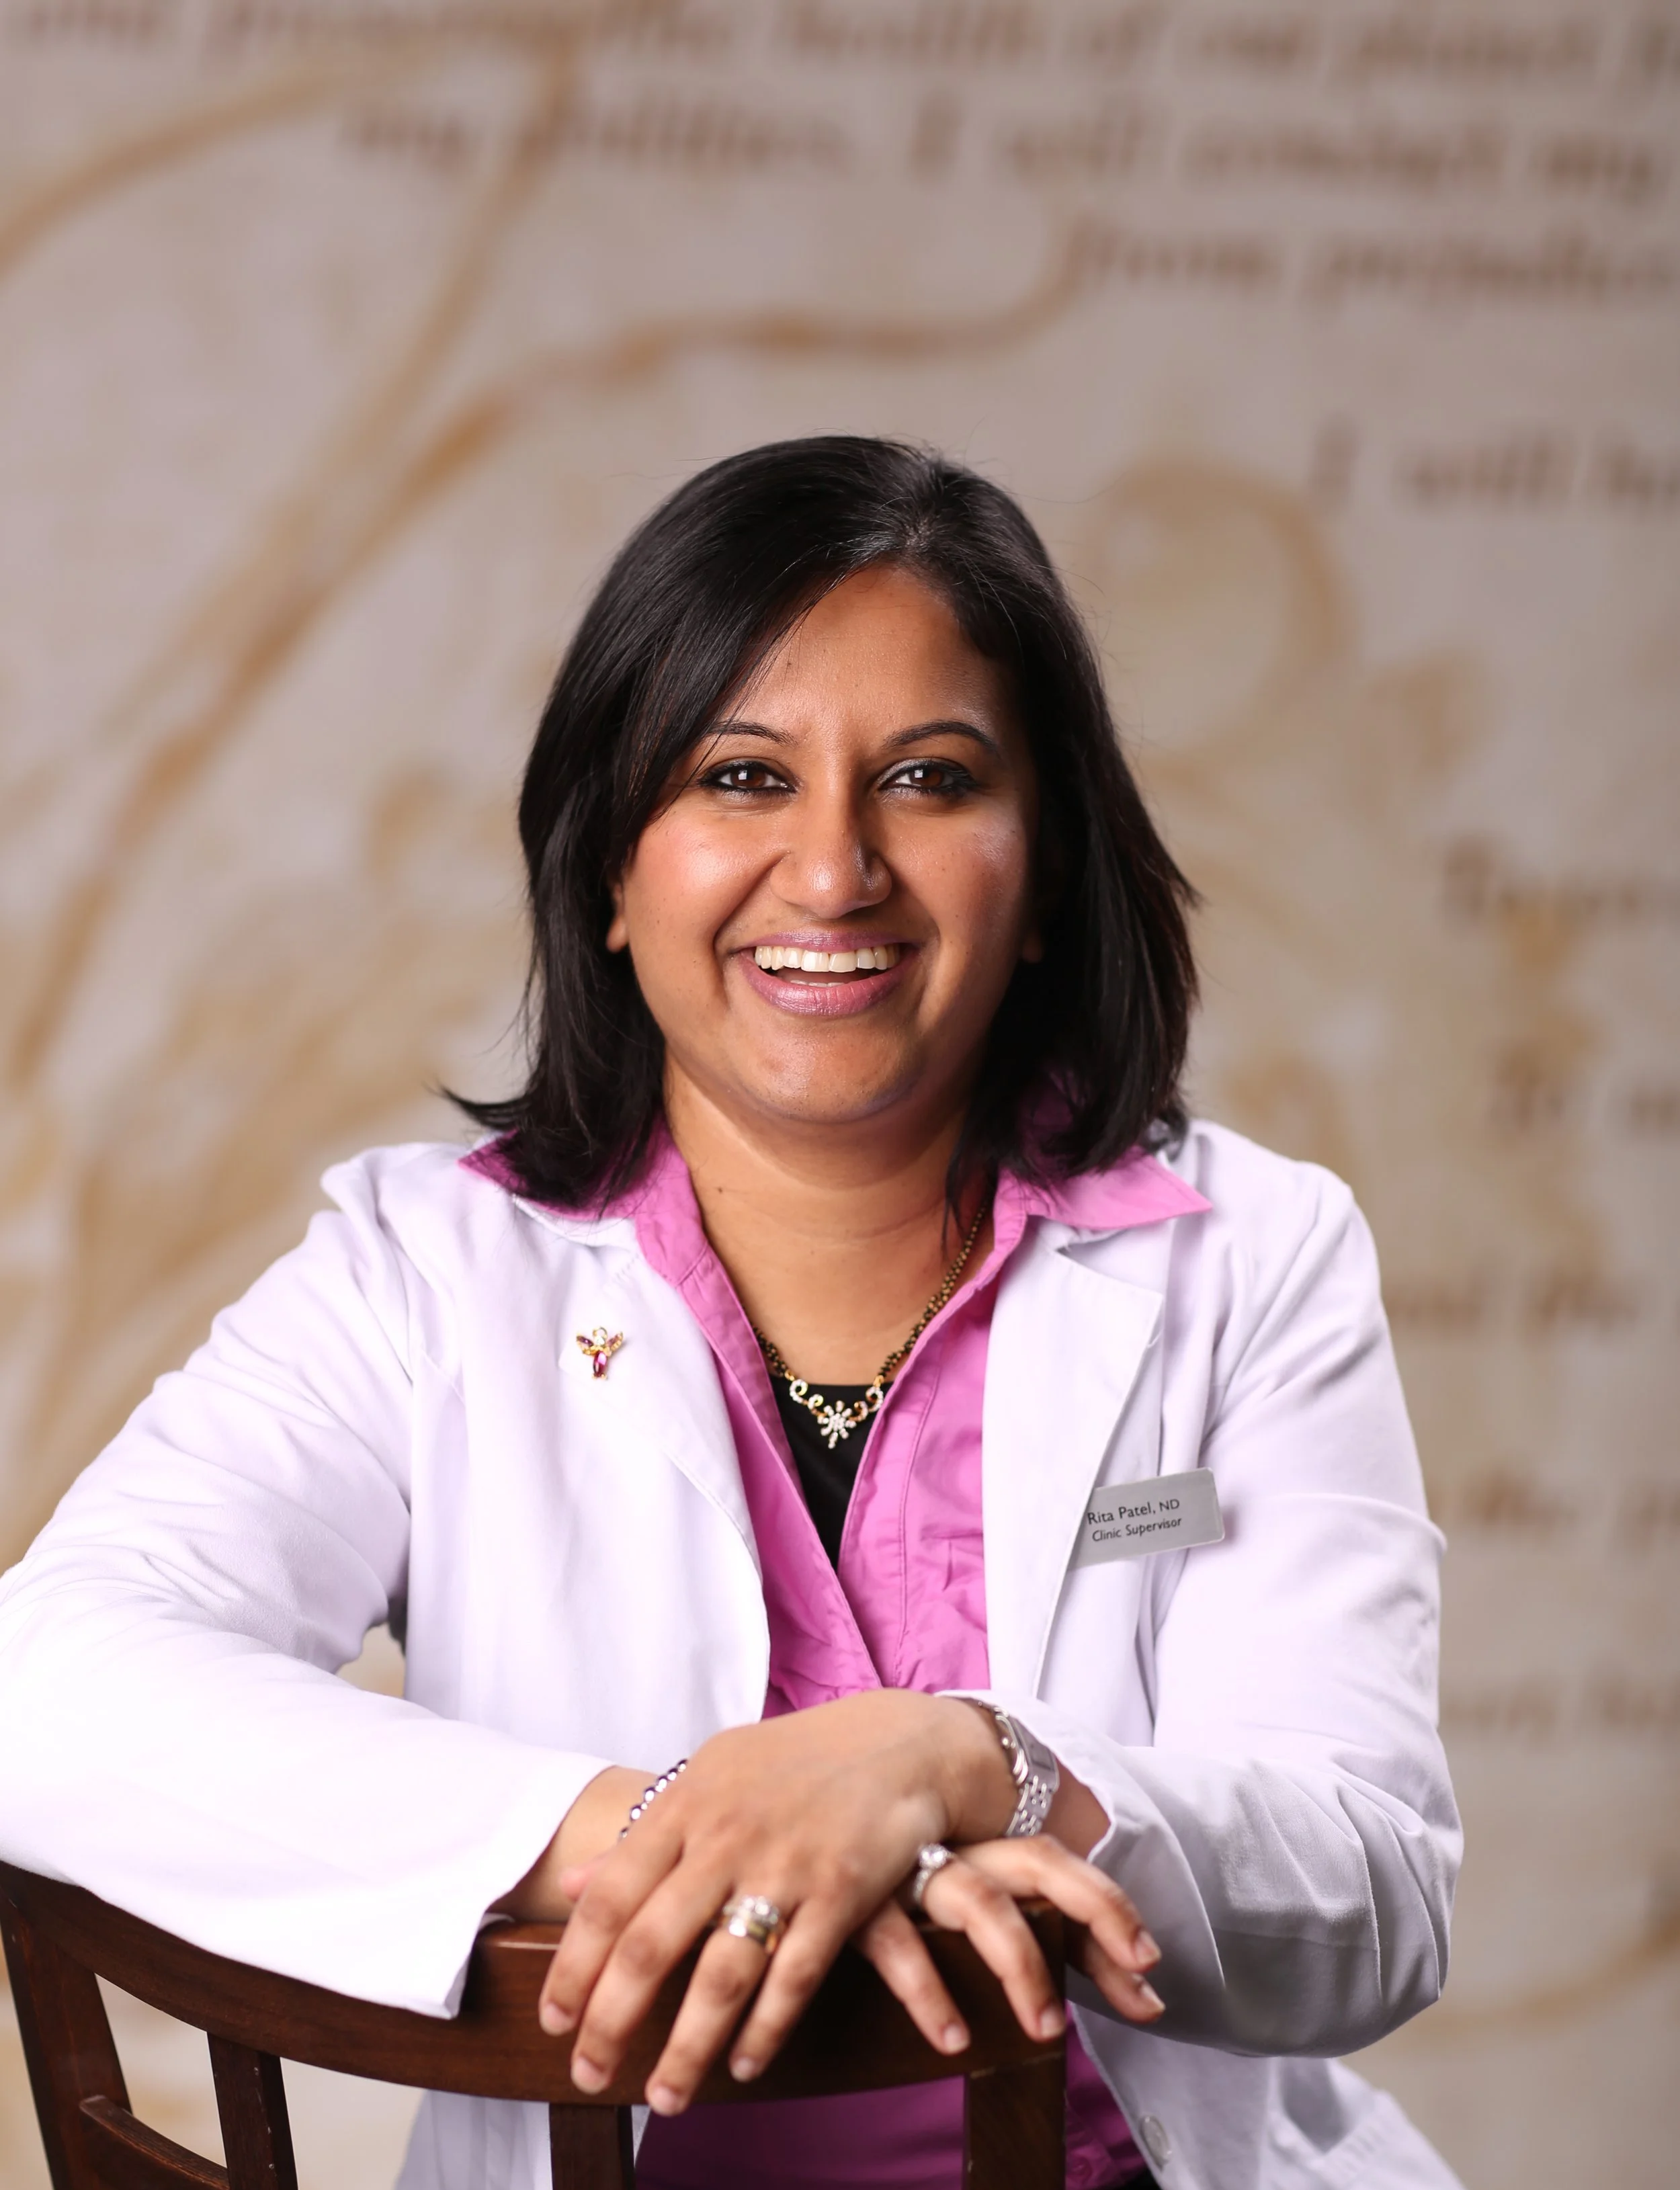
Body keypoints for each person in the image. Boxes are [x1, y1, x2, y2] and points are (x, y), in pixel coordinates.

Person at [0, 437, 1462, 2190]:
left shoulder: (1252, 1260)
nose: (833, 871)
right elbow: (47, 1685)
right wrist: (666, 1834)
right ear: (612, 878)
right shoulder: (419, 1278)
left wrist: (966, 1764)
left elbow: (1370, 1887)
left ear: (1049, 872)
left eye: (927, 779)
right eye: (741, 776)